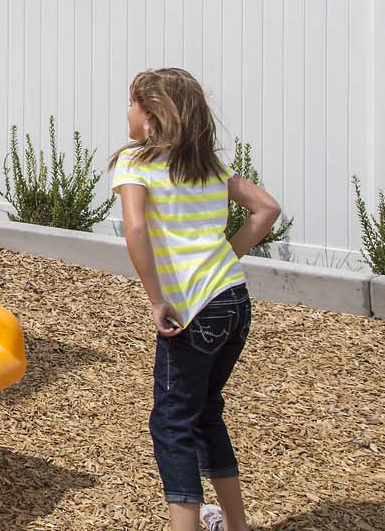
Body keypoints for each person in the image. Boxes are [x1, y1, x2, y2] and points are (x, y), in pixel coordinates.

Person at [112, 68, 282, 531]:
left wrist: (155, 299)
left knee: (172, 425)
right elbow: (266, 208)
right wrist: (227, 255)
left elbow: (135, 229)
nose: (126, 112)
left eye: (132, 104)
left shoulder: (134, 162)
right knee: (205, 412)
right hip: (234, 300)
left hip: (194, 308)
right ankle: (235, 525)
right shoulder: (208, 165)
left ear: (151, 117)